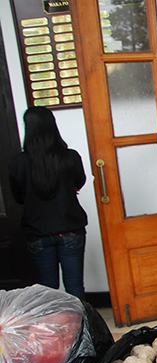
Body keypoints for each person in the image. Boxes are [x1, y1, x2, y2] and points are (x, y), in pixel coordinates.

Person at [9, 106, 88, 300]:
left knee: (47, 292)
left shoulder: (19, 162)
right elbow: (79, 182)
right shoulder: (70, 157)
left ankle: (51, 330)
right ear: (52, 126)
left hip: (37, 233)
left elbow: (18, 197)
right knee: (75, 287)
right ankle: (83, 329)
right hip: (70, 230)